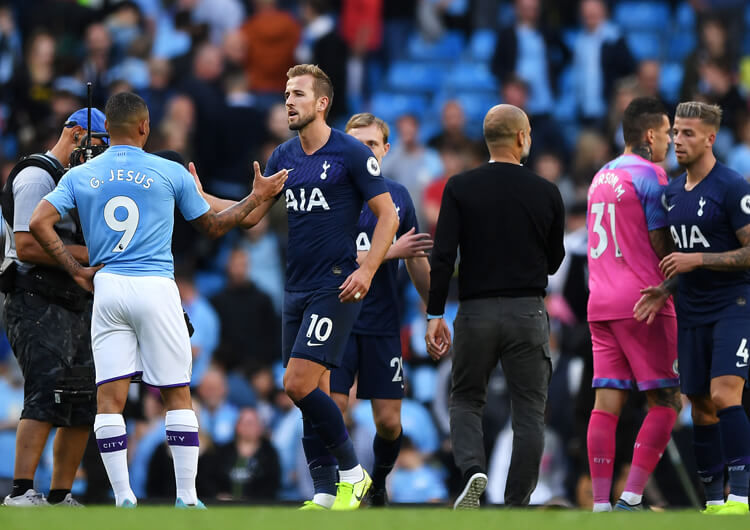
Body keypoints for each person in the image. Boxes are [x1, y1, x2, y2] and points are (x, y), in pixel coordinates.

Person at [28, 91, 287, 508]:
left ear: (107, 130)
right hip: (155, 284)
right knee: (176, 393)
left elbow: (39, 222)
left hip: (108, 286)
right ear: (146, 127)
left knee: (109, 399)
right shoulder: (167, 170)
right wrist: (257, 197)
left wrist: (76, 270)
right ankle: (187, 496)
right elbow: (215, 227)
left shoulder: (80, 175)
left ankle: (123, 496)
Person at [193, 64, 399, 510]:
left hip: (335, 286)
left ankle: (352, 472)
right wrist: (201, 196)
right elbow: (250, 216)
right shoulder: (284, 156)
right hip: (295, 289)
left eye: (299, 94)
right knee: (313, 393)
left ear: (322, 103)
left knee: (297, 383)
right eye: (286, 93)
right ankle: (325, 493)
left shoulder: (349, 153)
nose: (288, 100)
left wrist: (366, 270)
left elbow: (389, 216)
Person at [425, 104, 565, 509]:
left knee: (467, 398)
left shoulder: (459, 187)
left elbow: (442, 257)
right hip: (528, 312)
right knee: (529, 413)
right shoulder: (547, 191)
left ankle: (473, 470)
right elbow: (554, 261)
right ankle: (516, 503)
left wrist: (435, 315)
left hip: (476, 312)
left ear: (487, 140)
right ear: (522, 138)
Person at [294, 112, 431, 509]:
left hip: (381, 322)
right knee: (334, 407)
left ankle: (379, 483)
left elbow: (416, 257)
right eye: (356, 143)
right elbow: (330, 255)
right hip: (336, 318)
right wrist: (391, 251)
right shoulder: (330, 193)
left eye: (371, 144)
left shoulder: (398, 196)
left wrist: (432, 311)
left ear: (385, 150)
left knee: (388, 422)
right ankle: (341, 486)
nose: (363, 151)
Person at [636, 102, 750, 515]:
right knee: (699, 402)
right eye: (676, 132)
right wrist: (666, 287)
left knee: (724, 393)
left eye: (687, 134)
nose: (678, 141)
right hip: (691, 307)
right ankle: (715, 500)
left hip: (734, 304)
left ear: (710, 138)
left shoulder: (732, 186)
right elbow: (677, 260)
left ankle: (741, 495)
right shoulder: (670, 194)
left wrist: (697, 261)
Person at [0, 108, 107, 507]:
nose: (99, 153)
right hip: (33, 297)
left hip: (74, 301)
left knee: (83, 397)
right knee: (44, 389)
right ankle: (20, 491)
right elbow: (27, 244)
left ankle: (61, 495)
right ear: (76, 133)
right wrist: (90, 255)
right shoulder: (36, 176)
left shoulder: (82, 181)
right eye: (97, 144)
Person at [585, 97, 681, 512]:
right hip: (643, 301)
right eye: (666, 134)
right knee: (667, 400)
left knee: (606, 404)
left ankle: (602, 504)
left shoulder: (599, 176)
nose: (670, 142)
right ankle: (632, 497)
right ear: (649, 135)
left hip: (600, 301)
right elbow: (663, 247)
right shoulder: (651, 176)